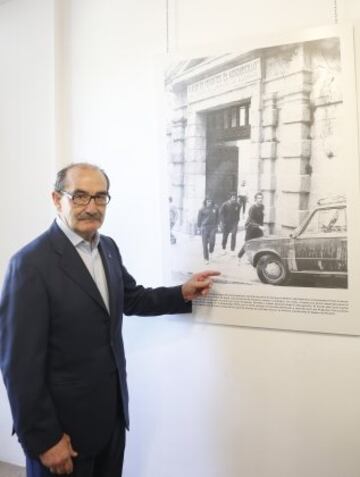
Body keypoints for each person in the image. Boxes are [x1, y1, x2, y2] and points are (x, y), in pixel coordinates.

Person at [0, 163, 219, 477]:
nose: (91, 207)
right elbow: (19, 365)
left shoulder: (108, 247)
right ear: (56, 199)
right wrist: (44, 439)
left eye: (100, 197)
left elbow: (130, 297)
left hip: (109, 422)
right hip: (63, 435)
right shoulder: (30, 264)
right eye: (80, 197)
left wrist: (181, 293)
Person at [238, 191, 265, 260]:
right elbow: (251, 220)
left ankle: (255, 258)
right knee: (248, 243)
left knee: (260, 242)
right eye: (258, 198)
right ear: (255, 199)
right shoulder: (252, 208)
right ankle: (239, 256)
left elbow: (261, 218)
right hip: (250, 227)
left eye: (261, 198)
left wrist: (261, 225)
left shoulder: (262, 207)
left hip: (258, 227)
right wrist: (259, 226)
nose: (260, 199)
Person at [197, 198, 219, 264]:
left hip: (212, 227)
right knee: (205, 244)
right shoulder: (201, 209)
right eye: (208, 201)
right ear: (205, 202)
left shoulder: (215, 208)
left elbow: (218, 217)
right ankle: (206, 259)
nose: (209, 202)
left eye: (210, 201)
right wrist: (199, 228)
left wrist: (217, 225)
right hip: (204, 227)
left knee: (212, 241)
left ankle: (211, 250)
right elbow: (199, 219)